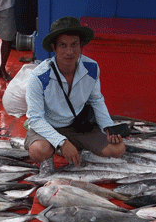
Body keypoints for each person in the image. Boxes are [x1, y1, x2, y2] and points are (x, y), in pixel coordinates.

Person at [24, 16, 125, 170]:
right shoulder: (39, 76)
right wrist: (62, 142)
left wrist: (108, 128)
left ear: (81, 45)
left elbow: (96, 100)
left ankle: (74, 148)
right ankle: (57, 150)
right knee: (39, 151)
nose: (69, 52)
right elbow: (35, 118)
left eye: (74, 45)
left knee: (118, 149)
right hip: (50, 125)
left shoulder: (91, 68)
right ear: (54, 47)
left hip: (78, 125)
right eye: (63, 45)